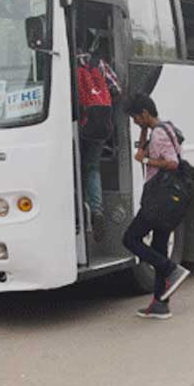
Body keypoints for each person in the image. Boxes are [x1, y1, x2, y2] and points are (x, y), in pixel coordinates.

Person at [122, 93, 191, 320]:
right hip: (168, 199)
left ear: (144, 113)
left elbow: (172, 162)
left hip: (158, 198)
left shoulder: (159, 134)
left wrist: (145, 161)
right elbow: (142, 151)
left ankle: (171, 269)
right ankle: (160, 304)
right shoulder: (165, 127)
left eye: (135, 118)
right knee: (159, 246)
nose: (134, 122)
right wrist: (143, 132)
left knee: (130, 238)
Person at [76, 34, 121, 238]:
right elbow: (116, 89)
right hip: (101, 125)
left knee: (76, 167)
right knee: (93, 167)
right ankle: (96, 210)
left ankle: (79, 208)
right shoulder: (98, 63)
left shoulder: (67, 63)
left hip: (79, 125)